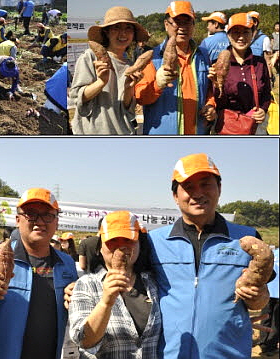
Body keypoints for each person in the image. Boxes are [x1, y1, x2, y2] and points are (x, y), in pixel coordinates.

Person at [147, 153, 271, 359]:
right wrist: (73, 285)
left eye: (206, 184)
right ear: (175, 196)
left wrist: (258, 298)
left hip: (229, 353)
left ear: (219, 189)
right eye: (188, 187)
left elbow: (261, 294)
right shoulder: (153, 242)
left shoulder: (248, 238)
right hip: (169, 353)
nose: (198, 193)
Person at [0, 187, 78, 359]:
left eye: (48, 215)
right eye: (31, 214)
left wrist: (76, 299)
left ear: (57, 222)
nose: (40, 221)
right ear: (18, 220)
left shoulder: (67, 264)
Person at [69, 210, 161, 358]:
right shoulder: (86, 285)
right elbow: (83, 340)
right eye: (112, 241)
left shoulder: (153, 282)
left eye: (128, 240)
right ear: (100, 247)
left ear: (139, 244)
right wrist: (105, 303)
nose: (121, 247)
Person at [134, 1, 216, 135]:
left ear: (193, 25)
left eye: (187, 22)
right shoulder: (152, 57)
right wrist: (158, 84)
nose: (182, 27)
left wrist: (211, 105)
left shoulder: (203, 55)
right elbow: (141, 97)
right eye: (177, 22)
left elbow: (208, 90)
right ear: (166, 25)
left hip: (197, 133)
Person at [70, 6, 149, 135]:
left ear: (133, 34)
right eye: (116, 28)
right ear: (107, 32)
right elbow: (77, 98)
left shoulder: (131, 66)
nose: (123, 33)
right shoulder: (91, 57)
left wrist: (129, 88)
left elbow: (126, 109)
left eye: (128, 28)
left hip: (123, 132)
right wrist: (101, 82)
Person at [208, 13, 271, 135]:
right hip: (228, 127)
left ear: (252, 34)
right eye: (236, 32)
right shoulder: (218, 63)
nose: (241, 37)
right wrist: (216, 85)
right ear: (228, 35)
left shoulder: (259, 63)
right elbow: (219, 104)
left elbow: (266, 94)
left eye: (246, 32)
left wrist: (263, 110)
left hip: (255, 126)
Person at [256, 247, 279, 356]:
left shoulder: (272, 253)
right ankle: (270, 346)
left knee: (266, 316)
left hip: (268, 290)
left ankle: (263, 342)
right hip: (277, 291)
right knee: (276, 321)